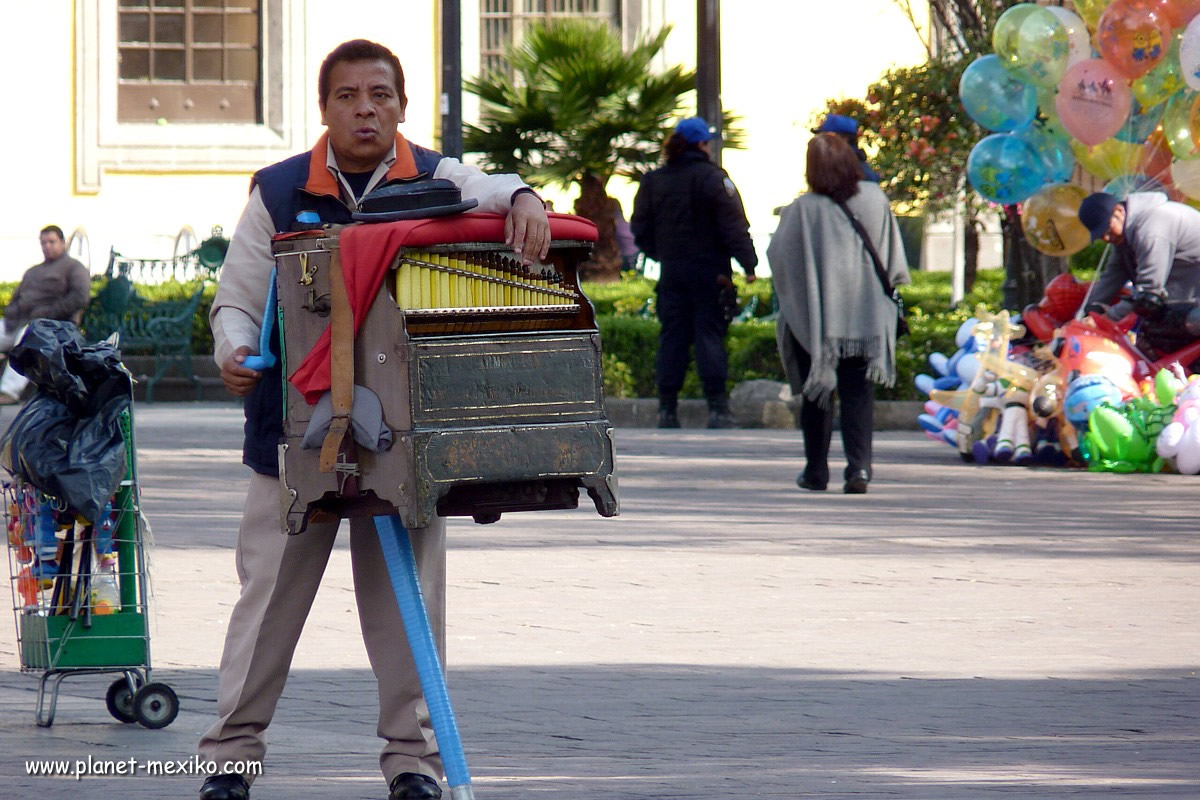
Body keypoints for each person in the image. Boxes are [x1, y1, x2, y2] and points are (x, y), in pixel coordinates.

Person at [198, 39, 550, 800]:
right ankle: (229, 759)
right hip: (293, 435)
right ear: (325, 109)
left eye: (381, 95)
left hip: (405, 434)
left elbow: (497, 188)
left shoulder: (438, 178)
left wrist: (524, 198)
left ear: (401, 106)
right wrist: (233, 351)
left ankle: (413, 766)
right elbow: (237, 298)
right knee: (267, 602)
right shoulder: (279, 189)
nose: (366, 109)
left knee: (408, 607)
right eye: (350, 96)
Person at [767, 133, 910, 495]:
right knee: (858, 393)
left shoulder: (802, 210)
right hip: (866, 317)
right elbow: (893, 262)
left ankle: (816, 472)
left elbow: (779, 261)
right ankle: (859, 469)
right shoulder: (876, 199)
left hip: (817, 320)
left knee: (817, 394)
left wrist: (803, 299)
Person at [630, 115, 758, 429]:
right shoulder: (713, 178)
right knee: (709, 336)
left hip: (672, 273)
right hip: (710, 272)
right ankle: (717, 410)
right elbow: (734, 226)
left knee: (671, 337)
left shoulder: (654, 180)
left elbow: (640, 228)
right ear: (701, 144)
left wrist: (661, 255)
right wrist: (749, 264)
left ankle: (667, 411)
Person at [0, 225, 91, 404]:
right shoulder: (33, 272)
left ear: (62, 243)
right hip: (18, 321)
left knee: (26, 337)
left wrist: (50, 313)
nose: (47, 246)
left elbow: (80, 297)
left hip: (53, 325)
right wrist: (12, 312)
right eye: (43, 242)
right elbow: (16, 299)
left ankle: (9, 392)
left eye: (51, 242)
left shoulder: (74, 268)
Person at [1077, 190, 1200, 321]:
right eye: (1101, 235)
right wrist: (1087, 312)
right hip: (1184, 294)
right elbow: (1113, 275)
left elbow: (1149, 293)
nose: (1106, 238)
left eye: (1107, 230)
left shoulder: (1151, 229)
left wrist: (1108, 318)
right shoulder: (1125, 233)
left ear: (1118, 211)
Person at [813, 113, 881, 183]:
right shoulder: (852, 165)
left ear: (844, 139)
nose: (821, 142)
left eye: (827, 137)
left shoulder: (851, 170)